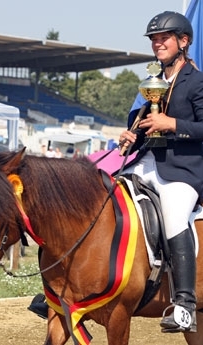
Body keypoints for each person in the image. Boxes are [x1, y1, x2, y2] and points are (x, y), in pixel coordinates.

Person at [119, 11, 203, 333]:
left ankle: (184, 304)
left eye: (163, 38)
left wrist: (173, 125)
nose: (157, 43)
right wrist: (132, 136)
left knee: (173, 213)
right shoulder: (153, 83)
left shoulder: (197, 82)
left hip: (184, 170)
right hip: (145, 163)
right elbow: (146, 126)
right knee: (106, 198)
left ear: (183, 42)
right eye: (154, 39)